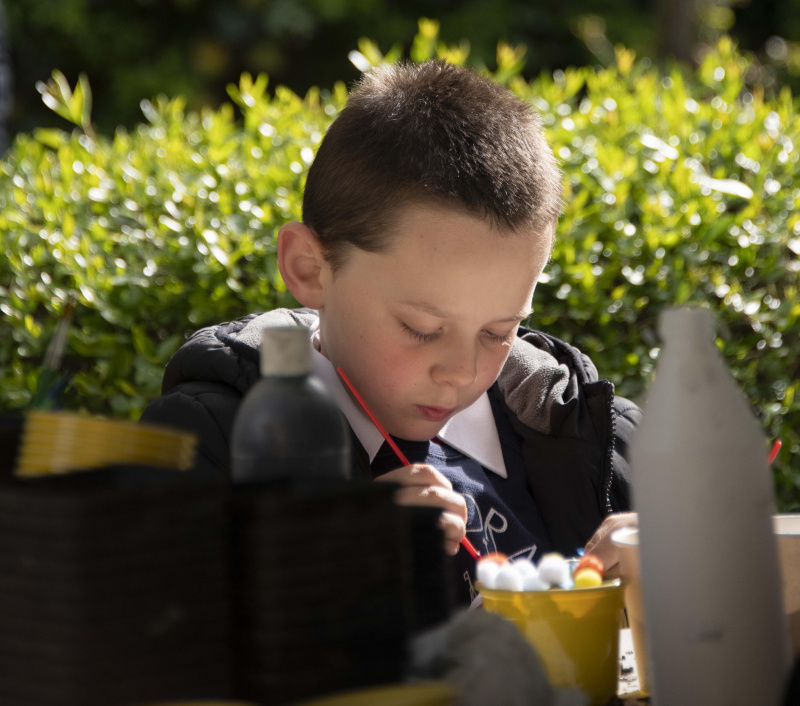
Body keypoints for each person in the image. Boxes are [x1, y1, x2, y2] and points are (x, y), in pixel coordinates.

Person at [141, 60, 640, 605]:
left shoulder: (595, 432)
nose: (462, 371)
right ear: (309, 268)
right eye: (421, 328)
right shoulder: (204, 448)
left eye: (500, 331)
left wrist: (690, 570)